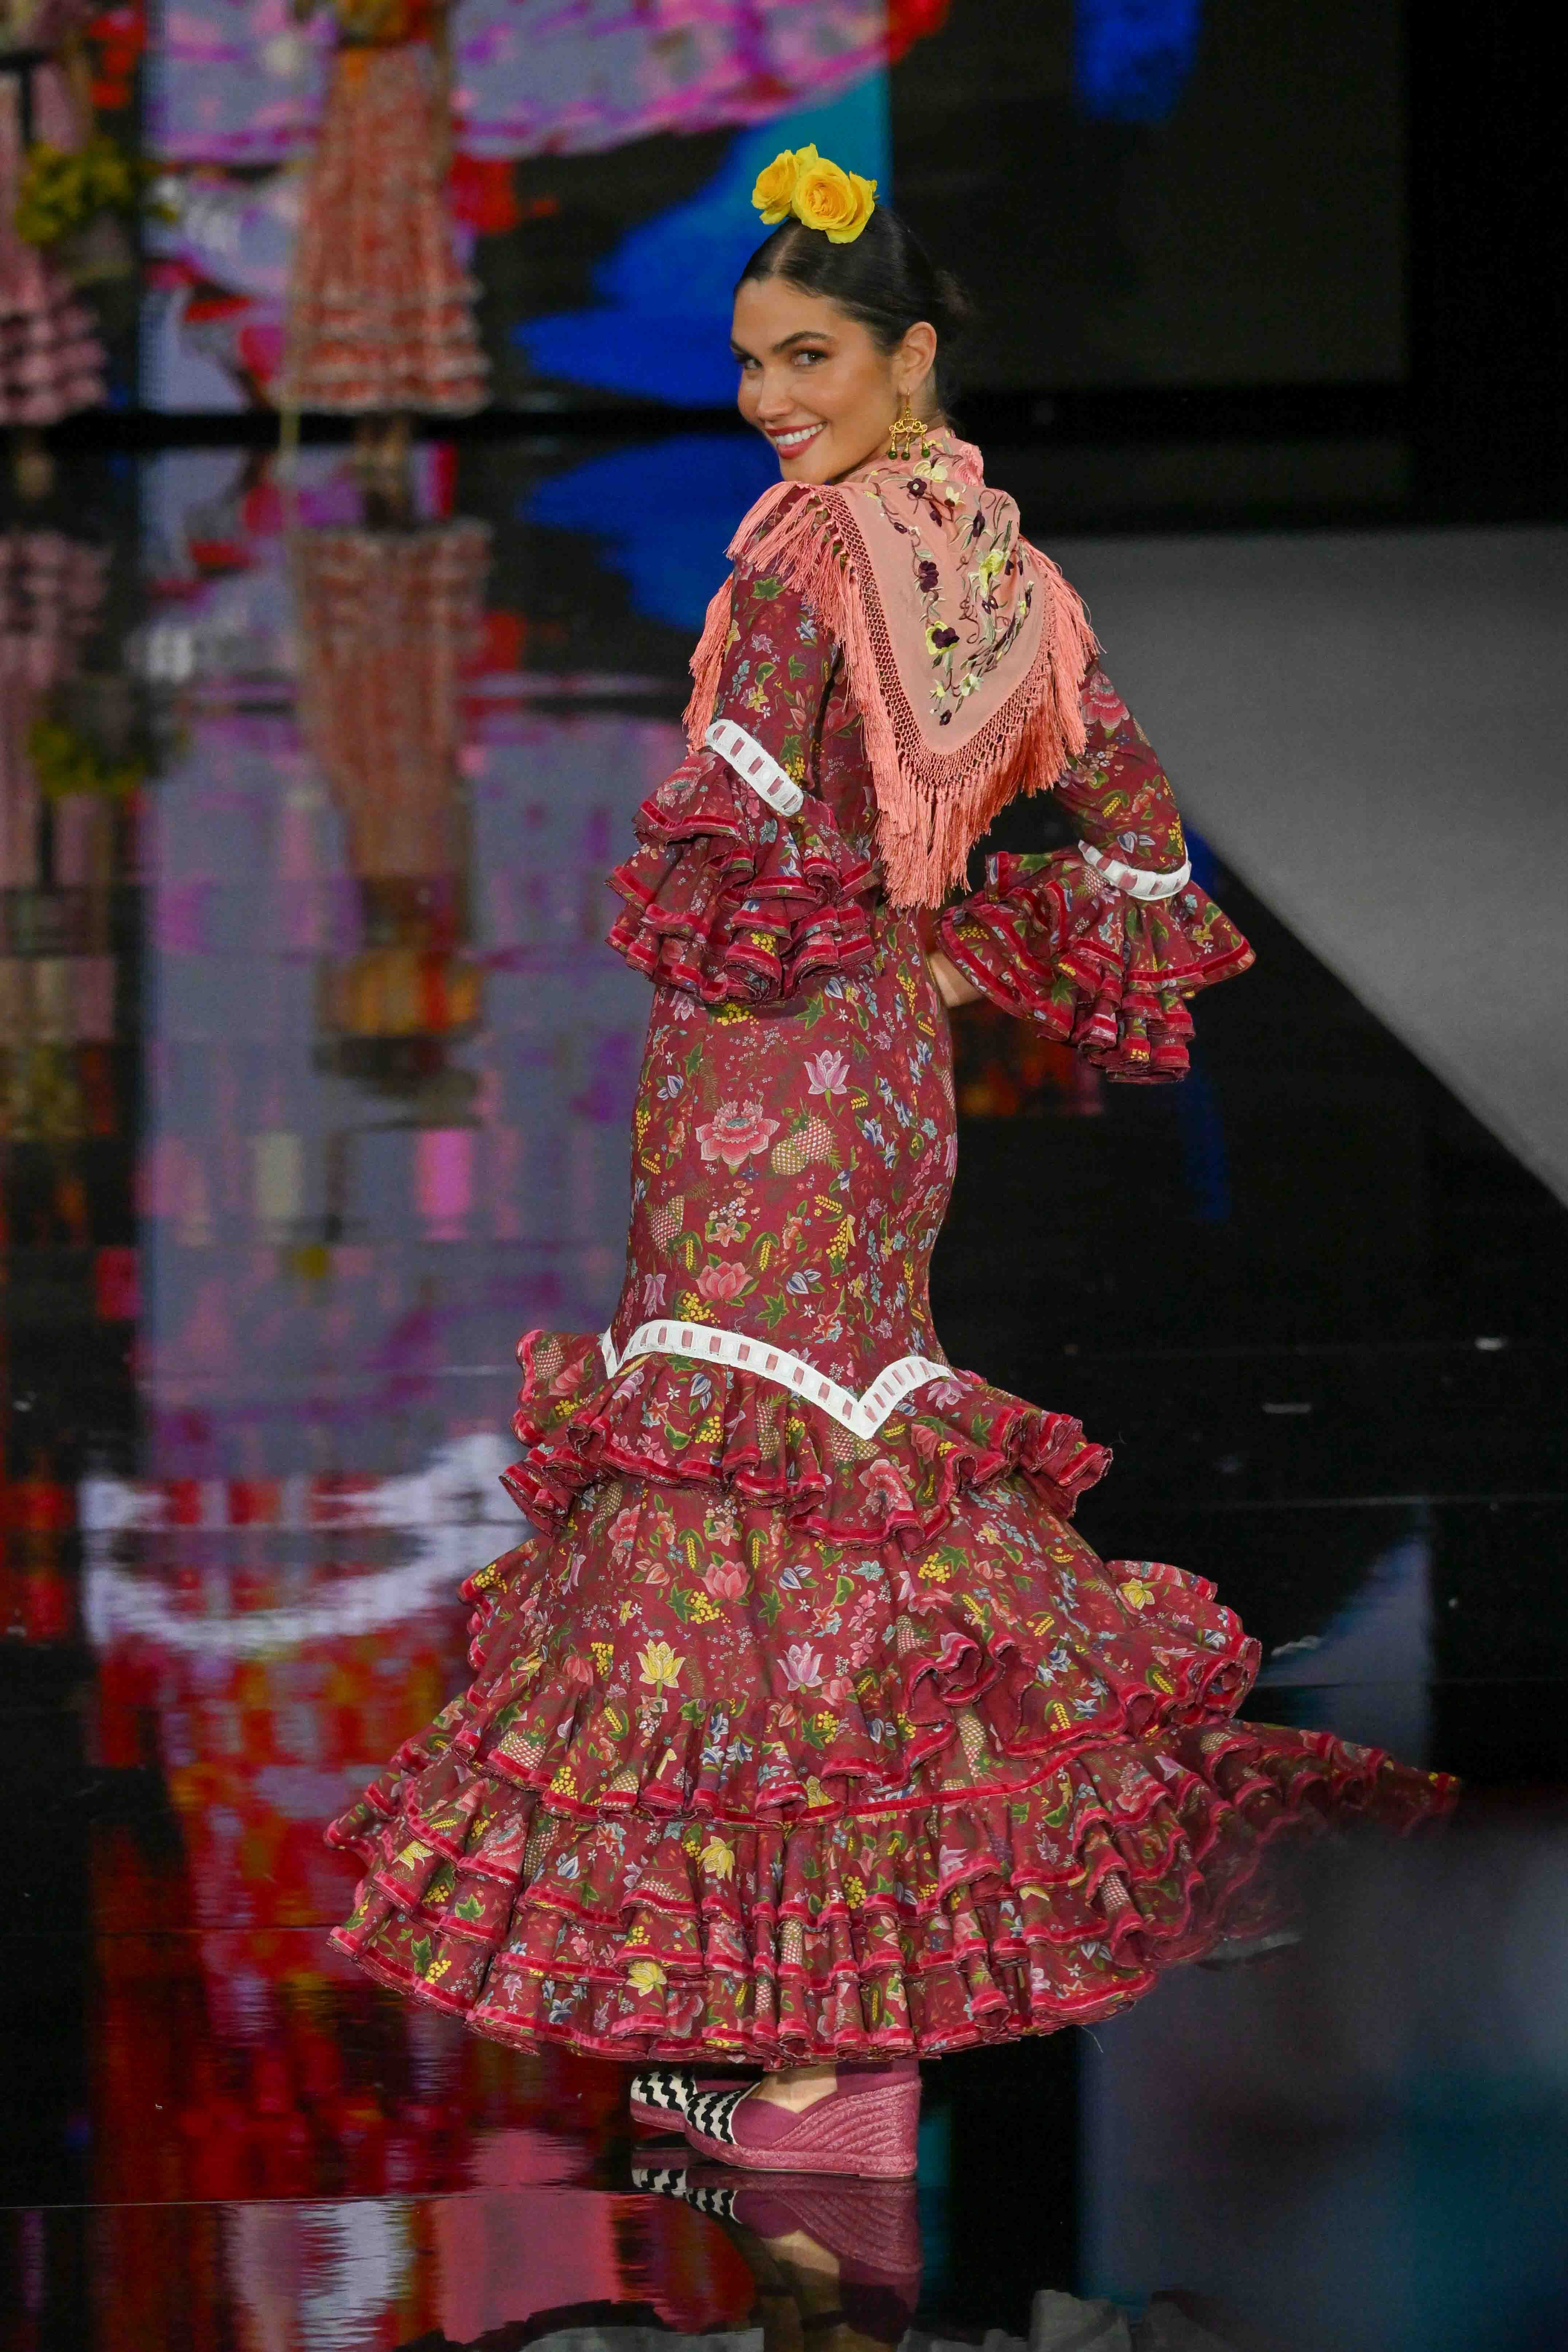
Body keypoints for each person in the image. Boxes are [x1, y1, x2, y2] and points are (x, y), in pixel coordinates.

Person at [327, 145, 1455, 2179]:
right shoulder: (979, 546)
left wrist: (803, 908)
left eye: (808, 356)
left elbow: (739, 822)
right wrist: (963, 927)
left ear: (908, 352)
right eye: (751, 360)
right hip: (880, 1077)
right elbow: (1124, 801)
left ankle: (819, 2057)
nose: (767, 397)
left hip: (765, 1066)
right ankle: (815, 2030)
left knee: (738, 1490)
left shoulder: (801, 559)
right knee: (838, 1472)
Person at [284, 0, 487, 489]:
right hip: (348, 98)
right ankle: (365, 422)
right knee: (352, 253)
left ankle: (397, 425)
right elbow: (300, 15)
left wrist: (442, 126)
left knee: (397, 246)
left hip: (397, 94)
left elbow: (443, 48)